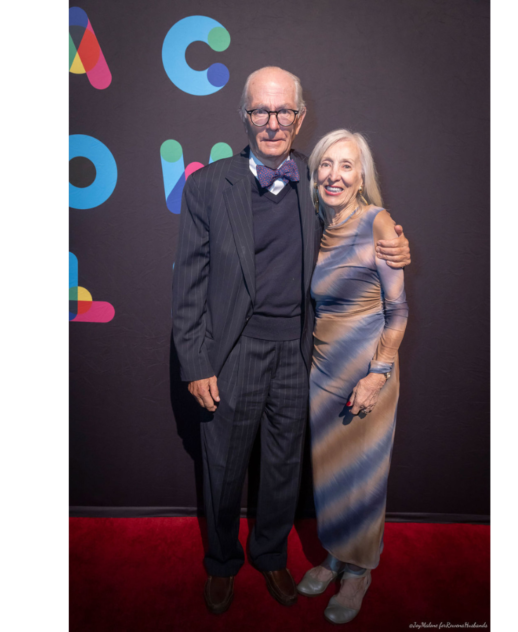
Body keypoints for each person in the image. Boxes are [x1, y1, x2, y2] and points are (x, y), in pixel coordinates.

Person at [171, 67, 411, 615]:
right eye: (261, 111)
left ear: (300, 118)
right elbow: (188, 284)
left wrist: (397, 241)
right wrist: (196, 362)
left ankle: (271, 555)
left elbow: (362, 220)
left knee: (282, 467)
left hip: (296, 355)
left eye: (284, 112)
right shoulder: (209, 185)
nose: (273, 123)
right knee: (223, 468)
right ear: (246, 116)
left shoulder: (314, 182)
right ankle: (221, 563)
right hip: (231, 354)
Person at [295, 130, 408, 624]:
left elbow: (399, 310)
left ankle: (360, 571)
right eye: (326, 165)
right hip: (323, 371)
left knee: (363, 475)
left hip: (368, 373)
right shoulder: (317, 222)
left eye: (346, 166)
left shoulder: (378, 222)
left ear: (363, 175)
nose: (334, 175)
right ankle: (337, 555)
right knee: (331, 474)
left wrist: (378, 373)